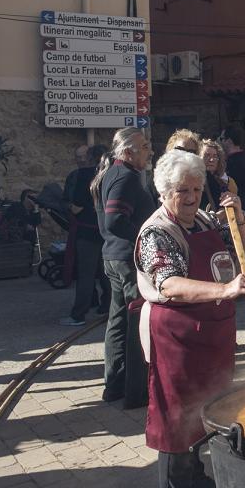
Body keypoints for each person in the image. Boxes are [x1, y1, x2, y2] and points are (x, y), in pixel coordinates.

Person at [135, 149, 245, 488]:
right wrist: (226, 290)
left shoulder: (204, 219)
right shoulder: (157, 231)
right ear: (164, 192)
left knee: (210, 409)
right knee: (176, 421)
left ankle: (196, 477)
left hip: (213, 333)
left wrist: (239, 215)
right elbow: (169, 284)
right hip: (177, 338)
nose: (191, 198)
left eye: (196, 189)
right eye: (182, 191)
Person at [91, 127, 156, 405]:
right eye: (145, 146)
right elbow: (115, 220)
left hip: (114, 257)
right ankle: (135, 392)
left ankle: (114, 386)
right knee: (135, 322)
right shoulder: (125, 176)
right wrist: (144, 240)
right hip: (127, 260)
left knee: (117, 322)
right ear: (129, 151)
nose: (149, 151)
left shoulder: (115, 172)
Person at [60, 144, 111, 326]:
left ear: (89, 158)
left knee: (86, 275)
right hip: (106, 230)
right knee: (106, 274)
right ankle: (107, 307)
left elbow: (76, 205)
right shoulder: (111, 175)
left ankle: (78, 315)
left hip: (87, 230)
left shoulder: (83, 175)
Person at [220, 127, 245, 213]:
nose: (220, 142)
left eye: (222, 139)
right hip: (243, 205)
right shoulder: (244, 158)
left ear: (229, 141)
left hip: (236, 208)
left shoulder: (233, 162)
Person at [199, 139, 236, 212]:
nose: (211, 160)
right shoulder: (196, 182)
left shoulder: (226, 183)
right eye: (207, 155)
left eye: (215, 156)